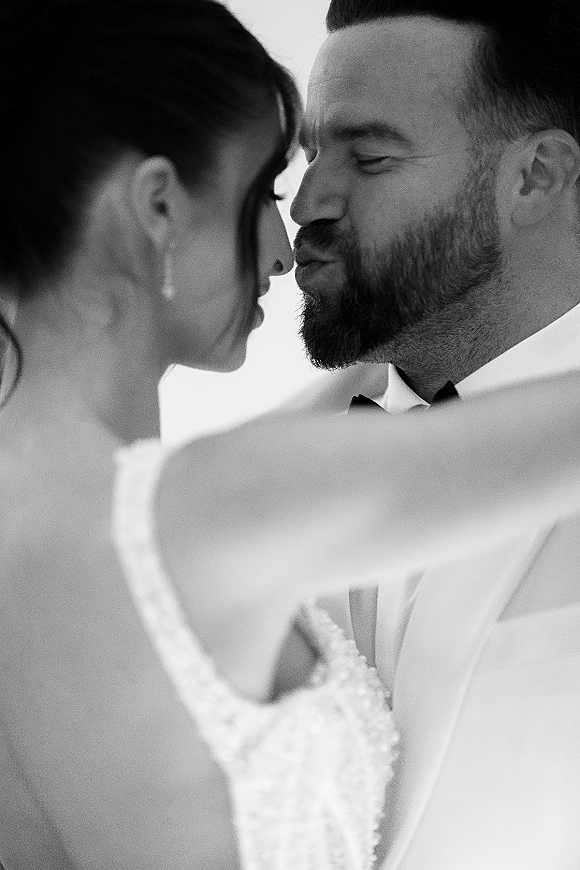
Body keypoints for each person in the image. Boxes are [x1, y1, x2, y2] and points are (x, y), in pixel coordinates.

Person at [2, 1, 580, 869]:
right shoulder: (226, 495)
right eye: (269, 186)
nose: (294, 228)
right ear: (156, 207)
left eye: (369, 157)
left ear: (536, 177)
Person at [290, 1, 580, 868]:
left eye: (369, 158)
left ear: (535, 177)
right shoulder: (258, 466)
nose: (307, 204)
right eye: (309, 155)